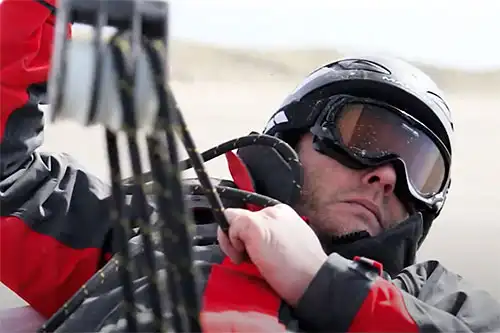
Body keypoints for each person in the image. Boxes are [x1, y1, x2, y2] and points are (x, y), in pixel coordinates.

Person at [1, 0, 499, 332]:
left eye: (421, 170)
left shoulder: (438, 298)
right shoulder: (169, 224)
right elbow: (11, 187)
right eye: (364, 138)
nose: (388, 174)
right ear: (293, 135)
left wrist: (319, 281)